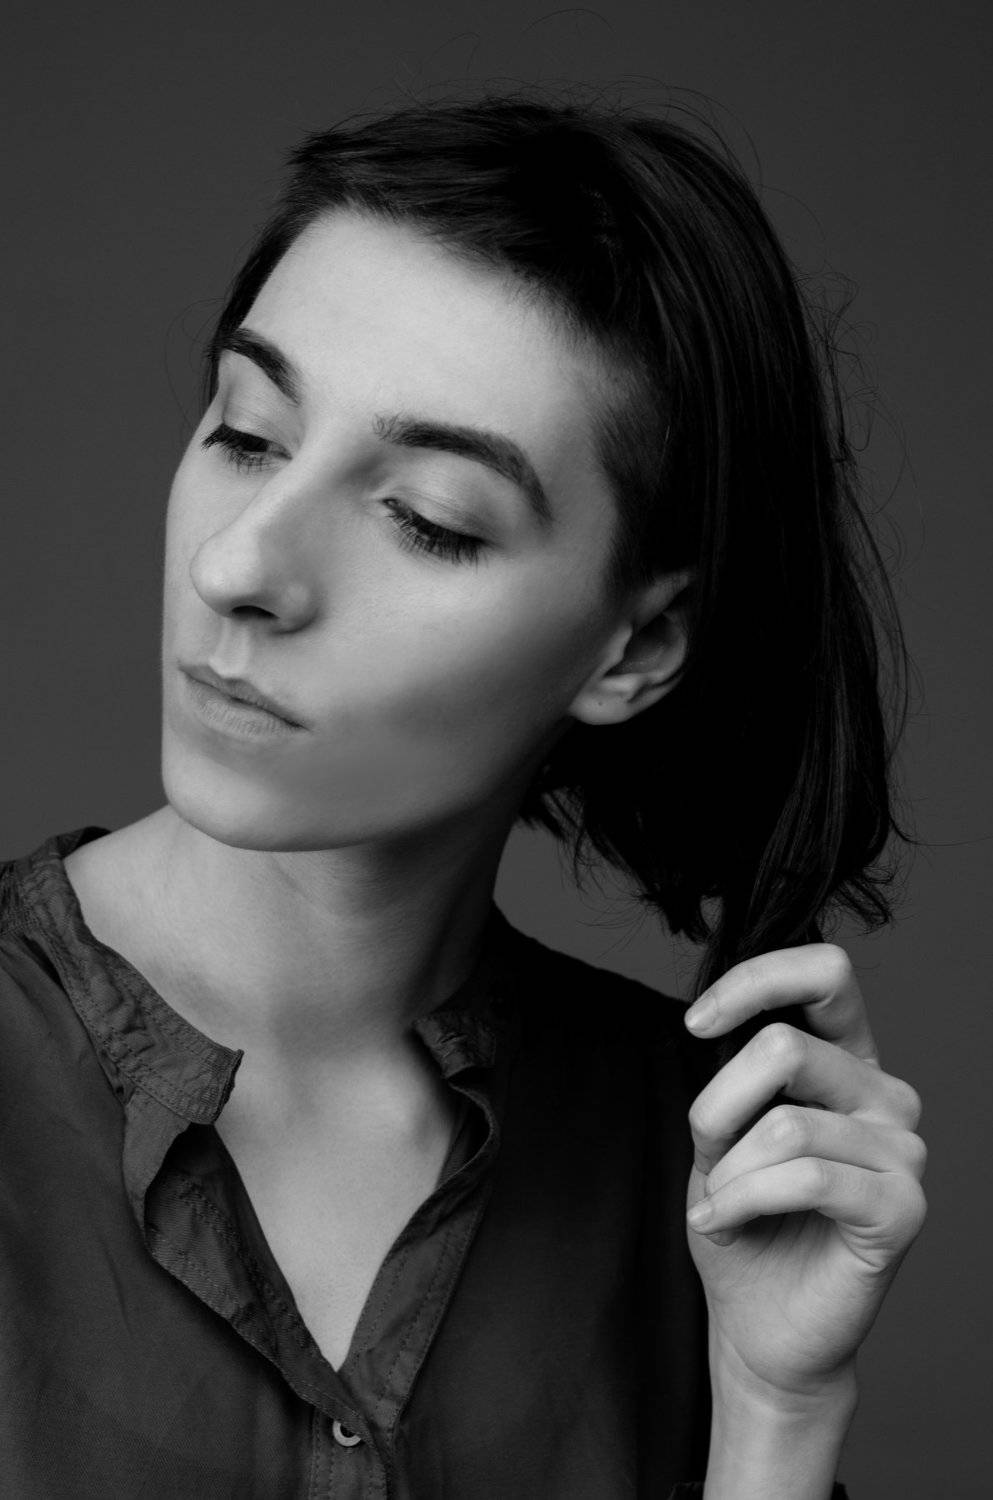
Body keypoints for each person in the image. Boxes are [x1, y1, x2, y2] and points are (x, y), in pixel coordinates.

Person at [0, 91, 928, 1498]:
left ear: (634, 649)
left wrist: (773, 1412)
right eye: (248, 433)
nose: (238, 567)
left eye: (426, 519)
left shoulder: (701, 1174)